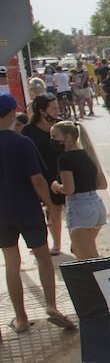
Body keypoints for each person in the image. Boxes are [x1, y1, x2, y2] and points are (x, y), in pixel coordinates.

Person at [0, 93, 76, 337]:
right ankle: (51, 306)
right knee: (43, 257)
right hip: (28, 209)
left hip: (2, 214)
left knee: (12, 263)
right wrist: (50, 206)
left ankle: (21, 319)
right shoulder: (22, 143)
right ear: (11, 114)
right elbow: (38, 180)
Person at [50, 121, 107, 260]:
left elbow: (69, 189)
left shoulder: (65, 159)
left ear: (68, 137)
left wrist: (56, 186)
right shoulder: (88, 154)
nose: (52, 140)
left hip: (79, 207)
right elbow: (102, 184)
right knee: (84, 250)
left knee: (87, 259)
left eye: (55, 136)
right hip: (96, 204)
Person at [21, 94, 64, 255]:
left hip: (62, 174)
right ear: (41, 111)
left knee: (60, 209)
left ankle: (59, 244)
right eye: (53, 108)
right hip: (40, 176)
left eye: (57, 107)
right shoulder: (28, 130)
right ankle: (46, 244)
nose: (57, 110)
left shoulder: (61, 125)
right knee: (49, 211)